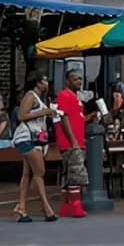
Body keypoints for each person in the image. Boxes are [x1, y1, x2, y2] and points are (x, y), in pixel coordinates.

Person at [11, 73, 58, 222]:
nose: (47, 83)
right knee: (39, 172)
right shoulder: (30, 96)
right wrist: (44, 112)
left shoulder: (40, 98)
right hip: (26, 138)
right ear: (37, 82)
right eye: (44, 80)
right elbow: (21, 116)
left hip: (33, 139)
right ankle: (46, 208)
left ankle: (21, 208)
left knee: (27, 174)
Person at [53, 70, 90, 218]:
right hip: (71, 143)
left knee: (68, 174)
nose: (79, 81)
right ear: (67, 81)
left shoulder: (75, 98)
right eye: (75, 79)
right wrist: (73, 140)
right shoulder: (64, 96)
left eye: (80, 79)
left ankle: (65, 206)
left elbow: (77, 118)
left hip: (76, 140)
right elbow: (64, 117)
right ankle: (75, 206)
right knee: (76, 173)